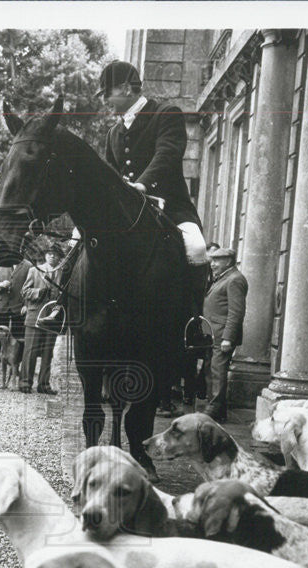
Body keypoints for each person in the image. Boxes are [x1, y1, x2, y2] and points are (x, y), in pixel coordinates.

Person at [98, 61, 208, 267]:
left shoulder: (166, 114)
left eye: (107, 93)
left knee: (197, 248)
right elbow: (110, 175)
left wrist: (142, 184)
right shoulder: (113, 133)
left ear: (125, 88)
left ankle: (194, 300)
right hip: (126, 212)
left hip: (170, 208)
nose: (104, 100)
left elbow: (167, 154)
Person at [202, 247, 248, 423]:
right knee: (211, 370)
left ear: (228, 261)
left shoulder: (235, 280)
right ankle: (217, 410)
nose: (212, 264)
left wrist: (228, 338)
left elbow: (236, 312)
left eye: (216, 260)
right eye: (212, 260)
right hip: (214, 334)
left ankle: (213, 408)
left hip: (222, 336)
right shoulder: (224, 278)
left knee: (218, 371)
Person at [19, 246, 63, 394]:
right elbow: (24, 291)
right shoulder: (34, 270)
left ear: (59, 258)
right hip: (34, 315)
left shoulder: (62, 273)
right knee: (30, 351)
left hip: (52, 319)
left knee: (47, 353)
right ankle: (25, 383)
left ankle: (44, 384)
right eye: (50, 254)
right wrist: (39, 292)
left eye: (56, 255)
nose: (52, 257)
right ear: (45, 256)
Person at [0, 253, 32, 374]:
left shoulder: (28, 265)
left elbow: (30, 285)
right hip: (2, 304)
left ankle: (16, 366)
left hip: (19, 305)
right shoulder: (1, 262)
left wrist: (26, 305)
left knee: (18, 337)